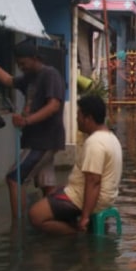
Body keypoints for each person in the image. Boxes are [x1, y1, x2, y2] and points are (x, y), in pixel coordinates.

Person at [0, 40, 64, 218]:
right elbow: (7, 80)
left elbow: (53, 106)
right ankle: (56, 221)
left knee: (14, 177)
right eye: (18, 64)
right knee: (47, 185)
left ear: (34, 58)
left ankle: (17, 227)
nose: (21, 67)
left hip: (44, 140)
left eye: (23, 63)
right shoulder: (29, 78)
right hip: (37, 140)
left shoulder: (50, 74)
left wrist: (27, 121)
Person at [29, 93, 122, 236]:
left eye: (79, 115)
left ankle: (77, 234)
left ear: (88, 118)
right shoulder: (111, 138)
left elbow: (94, 182)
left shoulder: (95, 143)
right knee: (53, 191)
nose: (76, 119)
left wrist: (85, 217)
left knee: (35, 215)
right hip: (104, 197)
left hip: (87, 199)